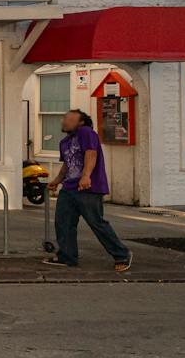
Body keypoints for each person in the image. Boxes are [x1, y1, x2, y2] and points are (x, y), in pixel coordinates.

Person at [45, 109, 132, 273]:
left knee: (96, 223)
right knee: (63, 222)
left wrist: (86, 176)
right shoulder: (65, 142)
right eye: (65, 119)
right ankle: (67, 256)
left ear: (81, 122)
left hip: (88, 188)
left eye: (70, 120)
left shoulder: (86, 132)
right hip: (69, 188)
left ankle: (121, 254)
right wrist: (57, 180)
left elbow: (91, 154)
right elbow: (67, 164)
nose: (65, 122)